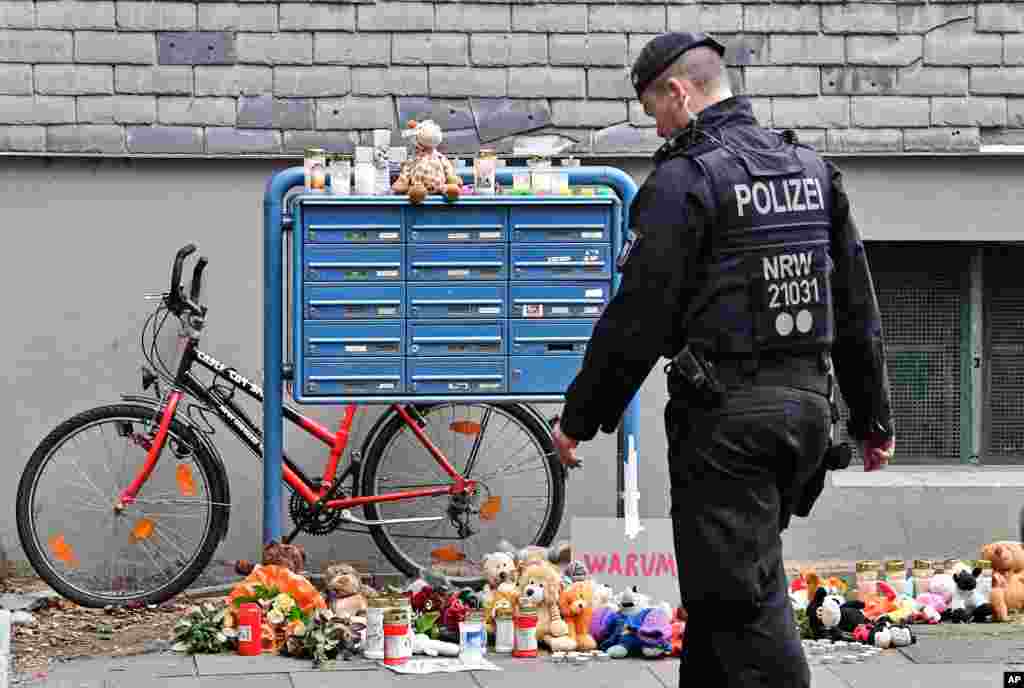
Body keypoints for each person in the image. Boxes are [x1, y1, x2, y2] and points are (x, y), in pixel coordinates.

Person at [550, 31, 896, 686]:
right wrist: (873, 416)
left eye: (654, 110)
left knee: (742, 603)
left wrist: (578, 417)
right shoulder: (810, 170)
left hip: (727, 426)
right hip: (806, 414)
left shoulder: (687, 181)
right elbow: (855, 302)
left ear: (678, 92)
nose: (655, 127)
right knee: (718, 595)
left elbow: (638, 318)